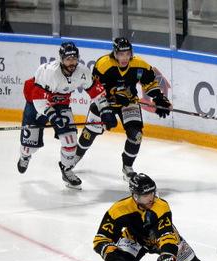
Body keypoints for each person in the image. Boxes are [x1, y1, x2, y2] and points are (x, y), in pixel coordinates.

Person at [73, 37, 172, 181]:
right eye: (121, 54)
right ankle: (76, 156)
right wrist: (111, 101)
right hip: (104, 103)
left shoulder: (139, 64)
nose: (125, 58)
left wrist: (159, 98)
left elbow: (150, 82)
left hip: (128, 102)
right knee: (90, 133)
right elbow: (96, 89)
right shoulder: (104, 65)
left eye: (127, 54)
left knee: (136, 135)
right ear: (115, 53)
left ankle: (127, 168)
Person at [18, 41, 108, 189]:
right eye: (68, 59)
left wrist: (105, 110)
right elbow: (38, 99)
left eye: (74, 58)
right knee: (29, 146)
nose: (72, 62)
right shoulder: (49, 72)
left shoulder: (82, 72)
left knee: (70, 140)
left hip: (61, 104)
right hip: (36, 104)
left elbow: (95, 90)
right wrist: (53, 116)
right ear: (61, 59)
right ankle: (25, 156)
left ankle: (66, 170)